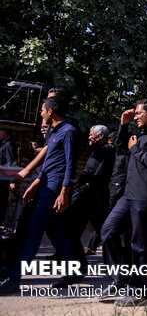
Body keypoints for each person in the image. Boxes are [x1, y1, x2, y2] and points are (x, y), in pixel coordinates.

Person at [0, 96, 77, 295]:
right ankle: (72, 271)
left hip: (54, 191)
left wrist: (64, 193)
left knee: (33, 235)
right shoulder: (55, 132)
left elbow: (70, 165)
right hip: (44, 187)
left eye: (43, 110)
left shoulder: (69, 132)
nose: (41, 114)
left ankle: (14, 279)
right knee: (55, 232)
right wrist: (34, 183)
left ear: (50, 112)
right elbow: (49, 163)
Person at [99, 99, 147, 306]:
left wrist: (135, 148)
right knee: (108, 231)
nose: (136, 117)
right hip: (128, 195)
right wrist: (123, 125)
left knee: (140, 245)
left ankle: (139, 291)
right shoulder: (141, 135)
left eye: (139, 113)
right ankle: (121, 277)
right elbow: (121, 149)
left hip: (145, 196)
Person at [60, 125, 115, 284]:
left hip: (96, 198)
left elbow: (101, 175)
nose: (89, 137)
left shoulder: (108, 152)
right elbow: (88, 172)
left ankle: (119, 269)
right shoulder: (96, 151)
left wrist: (88, 185)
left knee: (106, 234)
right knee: (72, 230)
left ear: (101, 136)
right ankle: (79, 266)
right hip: (86, 197)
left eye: (92, 135)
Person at [0, 128, 17, 227]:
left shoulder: (9, 145)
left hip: (3, 182)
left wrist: (12, 181)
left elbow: (12, 164)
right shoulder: (3, 145)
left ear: (4, 133)